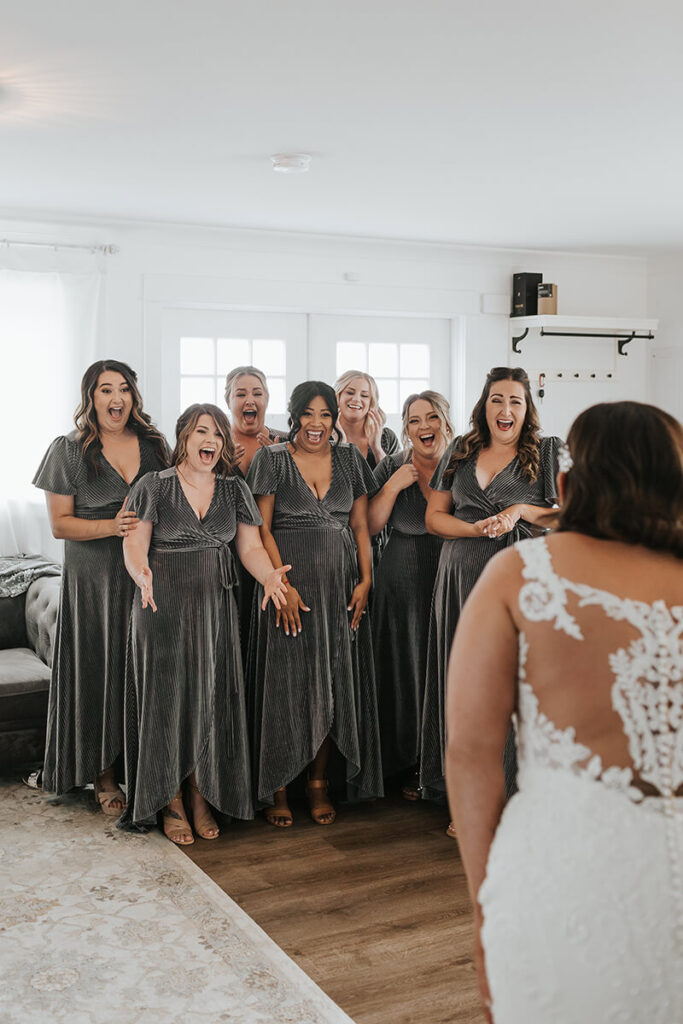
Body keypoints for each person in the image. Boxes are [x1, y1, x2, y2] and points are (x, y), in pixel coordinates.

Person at [446, 401, 683, 1024]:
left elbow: (471, 756)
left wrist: (483, 908)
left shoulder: (520, 575)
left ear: (566, 485)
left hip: (562, 883)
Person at [119, 403, 288, 845]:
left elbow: (249, 548)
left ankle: (201, 795)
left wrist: (269, 574)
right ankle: (170, 799)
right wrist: (142, 574)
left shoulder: (234, 491)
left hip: (215, 610)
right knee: (168, 702)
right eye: (200, 432)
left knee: (209, 702)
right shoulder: (152, 487)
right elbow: (135, 545)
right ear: (183, 439)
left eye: (216, 433)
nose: (210, 440)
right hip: (161, 607)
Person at [422, 367, 561, 832]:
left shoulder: (545, 452)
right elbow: (434, 518)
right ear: (484, 404)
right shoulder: (460, 450)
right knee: (462, 685)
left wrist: (521, 510)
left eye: (515, 402)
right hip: (459, 575)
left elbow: (563, 517)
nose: (505, 410)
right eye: (497, 400)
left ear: (527, 408)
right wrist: (476, 528)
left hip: (515, 581)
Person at [32, 359, 169, 814]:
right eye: (105, 390)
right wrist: (112, 526)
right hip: (92, 578)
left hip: (144, 573)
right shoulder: (68, 450)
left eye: (124, 389)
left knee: (139, 668)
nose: (116, 399)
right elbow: (59, 525)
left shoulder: (153, 446)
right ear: (90, 397)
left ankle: (141, 766)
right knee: (99, 666)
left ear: (134, 396)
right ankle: (104, 774)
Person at [246, 381, 383, 828]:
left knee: (331, 680)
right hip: (288, 586)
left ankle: (319, 783)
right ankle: (279, 785)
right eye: (308, 414)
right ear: (294, 416)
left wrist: (366, 579)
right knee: (286, 685)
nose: (317, 424)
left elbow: (361, 526)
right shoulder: (272, 459)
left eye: (326, 415)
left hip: (339, 588)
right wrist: (280, 585)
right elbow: (261, 529)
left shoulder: (349, 460)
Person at [368, 391, 454, 795]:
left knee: (443, 663)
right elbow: (369, 526)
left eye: (432, 417)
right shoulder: (392, 464)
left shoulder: (462, 464)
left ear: (445, 421)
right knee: (405, 665)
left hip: (447, 570)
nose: (424, 426)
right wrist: (390, 487)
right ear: (405, 427)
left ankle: (443, 763)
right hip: (400, 575)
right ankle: (406, 762)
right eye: (415, 420)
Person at [335, 370, 399, 469]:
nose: (356, 399)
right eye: (350, 392)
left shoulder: (387, 438)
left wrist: (377, 449)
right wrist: (341, 446)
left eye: (364, 395)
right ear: (338, 396)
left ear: (371, 403)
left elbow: (399, 480)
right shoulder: (321, 437)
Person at [224, 366, 280, 475]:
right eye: (241, 394)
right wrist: (219, 469)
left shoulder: (287, 442)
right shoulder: (213, 445)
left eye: (257, 394)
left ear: (267, 399)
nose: (250, 401)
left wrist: (281, 468)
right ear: (228, 402)